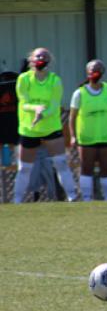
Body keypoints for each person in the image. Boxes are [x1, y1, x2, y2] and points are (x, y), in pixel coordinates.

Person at [14, 47, 77, 203]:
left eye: (45, 55)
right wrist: (35, 109)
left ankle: (72, 197)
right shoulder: (24, 79)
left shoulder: (54, 80)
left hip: (51, 128)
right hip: (29, 129)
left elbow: (55, 105)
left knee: (61, 163)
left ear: (49, 60)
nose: (41, 57)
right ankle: (17, 200)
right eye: (38, 55)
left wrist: (42, 114)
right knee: (24, 168)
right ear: (31, 59)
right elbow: (23, 103)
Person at [69, 60, 107, 201]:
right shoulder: (79, 93)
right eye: (92, 69)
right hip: (87, 137)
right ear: (87, 72)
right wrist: (73, 136)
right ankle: (87, 198)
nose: (95, 71)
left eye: (98, 69)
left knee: (106, 169)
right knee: (86, 169)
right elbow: (72, 118)